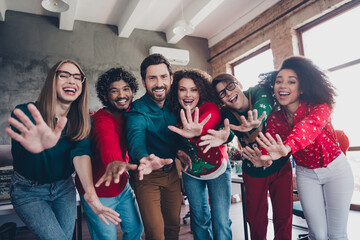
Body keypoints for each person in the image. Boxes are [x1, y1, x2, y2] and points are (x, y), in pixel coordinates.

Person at [5, 59, 121, 240]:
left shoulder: (83, 120)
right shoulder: (26, 113)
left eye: (77, 77)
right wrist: (36, 149)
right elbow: (21, 159)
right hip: (28, 190)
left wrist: (91, 194)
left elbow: (81, 153)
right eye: (64, 76)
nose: (71, 81)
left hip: (63, 187)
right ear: (52, 80)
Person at [245, 56, 354, 240]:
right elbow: (271, 143)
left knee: (337, 234)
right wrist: (264, 158)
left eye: (291, 81)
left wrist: (287, 146)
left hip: (336, 171)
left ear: (302, 88)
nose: (282, 85)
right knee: (317, 234)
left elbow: (307, 128)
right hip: (307, 174)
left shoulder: (320, 108)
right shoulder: (275, 118)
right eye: (279, 81)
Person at [201, 73, 293, 239]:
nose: (228, 93)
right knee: (256, 220)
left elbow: (265, 102)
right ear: (221, 100)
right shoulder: (227, 115)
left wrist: (257, 117)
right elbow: (226, 131)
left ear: (239, 83)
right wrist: (224, 137)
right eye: (222, 93)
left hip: (280, 166)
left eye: (230, 86)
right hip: (254, 171)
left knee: (283, 217)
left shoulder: (258, 91)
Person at [74, 67, 143, 240]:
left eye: (126, 89)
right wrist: (114, 161)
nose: (121, 95)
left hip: (122, 187)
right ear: (105, 96)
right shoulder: (101, 119)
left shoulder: (132, 115)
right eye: (114, 91)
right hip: (98, 191)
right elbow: (107, 139)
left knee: (135, 229)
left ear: (133, 91)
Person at [168, 69, 232, 240]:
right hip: (191, 173)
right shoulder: (174, 112)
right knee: (199, 221)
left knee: (221, 222)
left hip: (217, 171)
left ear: (201, 91)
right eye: (183, 89)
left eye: (194, 89)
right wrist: (177, 151)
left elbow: (210, 119)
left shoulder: (209, 107)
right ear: (176, 92)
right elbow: (170, 140)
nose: (188, 94)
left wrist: (197, 132)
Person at [126, 54, 182, 240]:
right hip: (147, 176)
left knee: (173, 227)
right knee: (156, 233)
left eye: (163, 77)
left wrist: (182, 152)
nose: (159, 83)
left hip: (172, 174)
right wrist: (144, 157)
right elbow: (136, 140)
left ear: (171, 78)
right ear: (144, 81)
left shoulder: (177, 104)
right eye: (152, 78)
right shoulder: (137, 111)